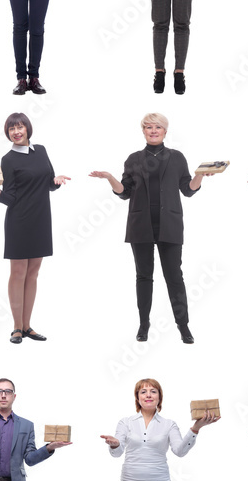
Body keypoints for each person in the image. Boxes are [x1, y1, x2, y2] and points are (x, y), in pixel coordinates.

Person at [89, 112, 214, 344]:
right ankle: (144, 324)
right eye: (148, 127)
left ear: (165, 131)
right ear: (143, 131)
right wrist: (109, 178)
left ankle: (183, 326)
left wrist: (199, 176)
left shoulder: (177, 157)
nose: (153, 131)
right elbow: (124, 192)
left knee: (174, 277)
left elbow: (188, 189)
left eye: (157, 127)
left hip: (170, 226)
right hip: (141, 227)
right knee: (143, 277)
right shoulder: (134, 159)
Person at [0, 113, 70, 343]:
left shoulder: (42, 150)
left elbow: (48, 183)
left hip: (41, 219)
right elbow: (9, 198)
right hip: (19, 220)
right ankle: (17, 327)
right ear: (7, 133)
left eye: (20, 127)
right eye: (11, 129)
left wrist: (56, 181)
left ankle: (28, 326)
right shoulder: (8, 159)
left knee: (34, 273)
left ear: (28, 129)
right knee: (18, 273)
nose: (16, 132)